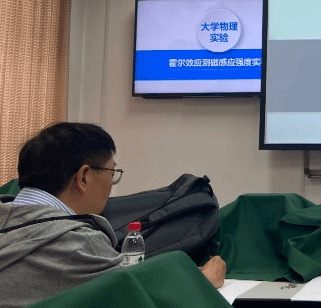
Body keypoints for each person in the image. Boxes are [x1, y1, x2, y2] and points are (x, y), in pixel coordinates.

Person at [0, 122, 226, 307]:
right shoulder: (77, 243)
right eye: (112, 172)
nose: (111, 185)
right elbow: (144, 299)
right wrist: (203, 279)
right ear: (84, 177)